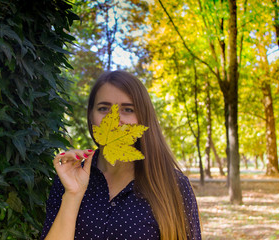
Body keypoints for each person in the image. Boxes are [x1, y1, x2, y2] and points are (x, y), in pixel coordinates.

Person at [40, 70, 201, 240]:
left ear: (143, 118)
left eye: (128, 109)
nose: (116, 119)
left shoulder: (173, 185)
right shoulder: (69, 178)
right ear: (91, 116)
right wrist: (73, 194)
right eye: (103, 108)